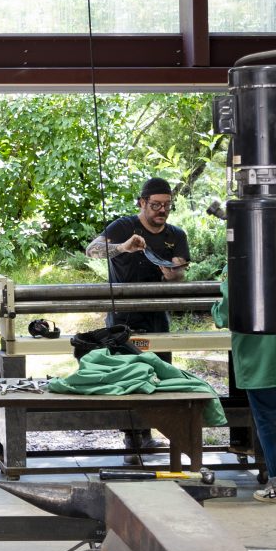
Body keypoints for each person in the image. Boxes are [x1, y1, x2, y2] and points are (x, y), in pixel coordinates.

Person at [85, 177, 191, 459]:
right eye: (156, 205)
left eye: (167, 205)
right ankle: (133, 439)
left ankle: (154, 432)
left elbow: (181, 271)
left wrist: (174, 273)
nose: (162, 210)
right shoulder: (123, 226)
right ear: (142, 203)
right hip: (124, 317)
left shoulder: (176, 234)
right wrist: (122, 247)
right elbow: (92, 250)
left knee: (161, 373)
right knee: (128, 374)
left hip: (158, 316)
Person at [212, 245, 276, 504]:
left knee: (266, 418)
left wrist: (215, 312)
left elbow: (229, 310)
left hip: (260, 349)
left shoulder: (241, 257)